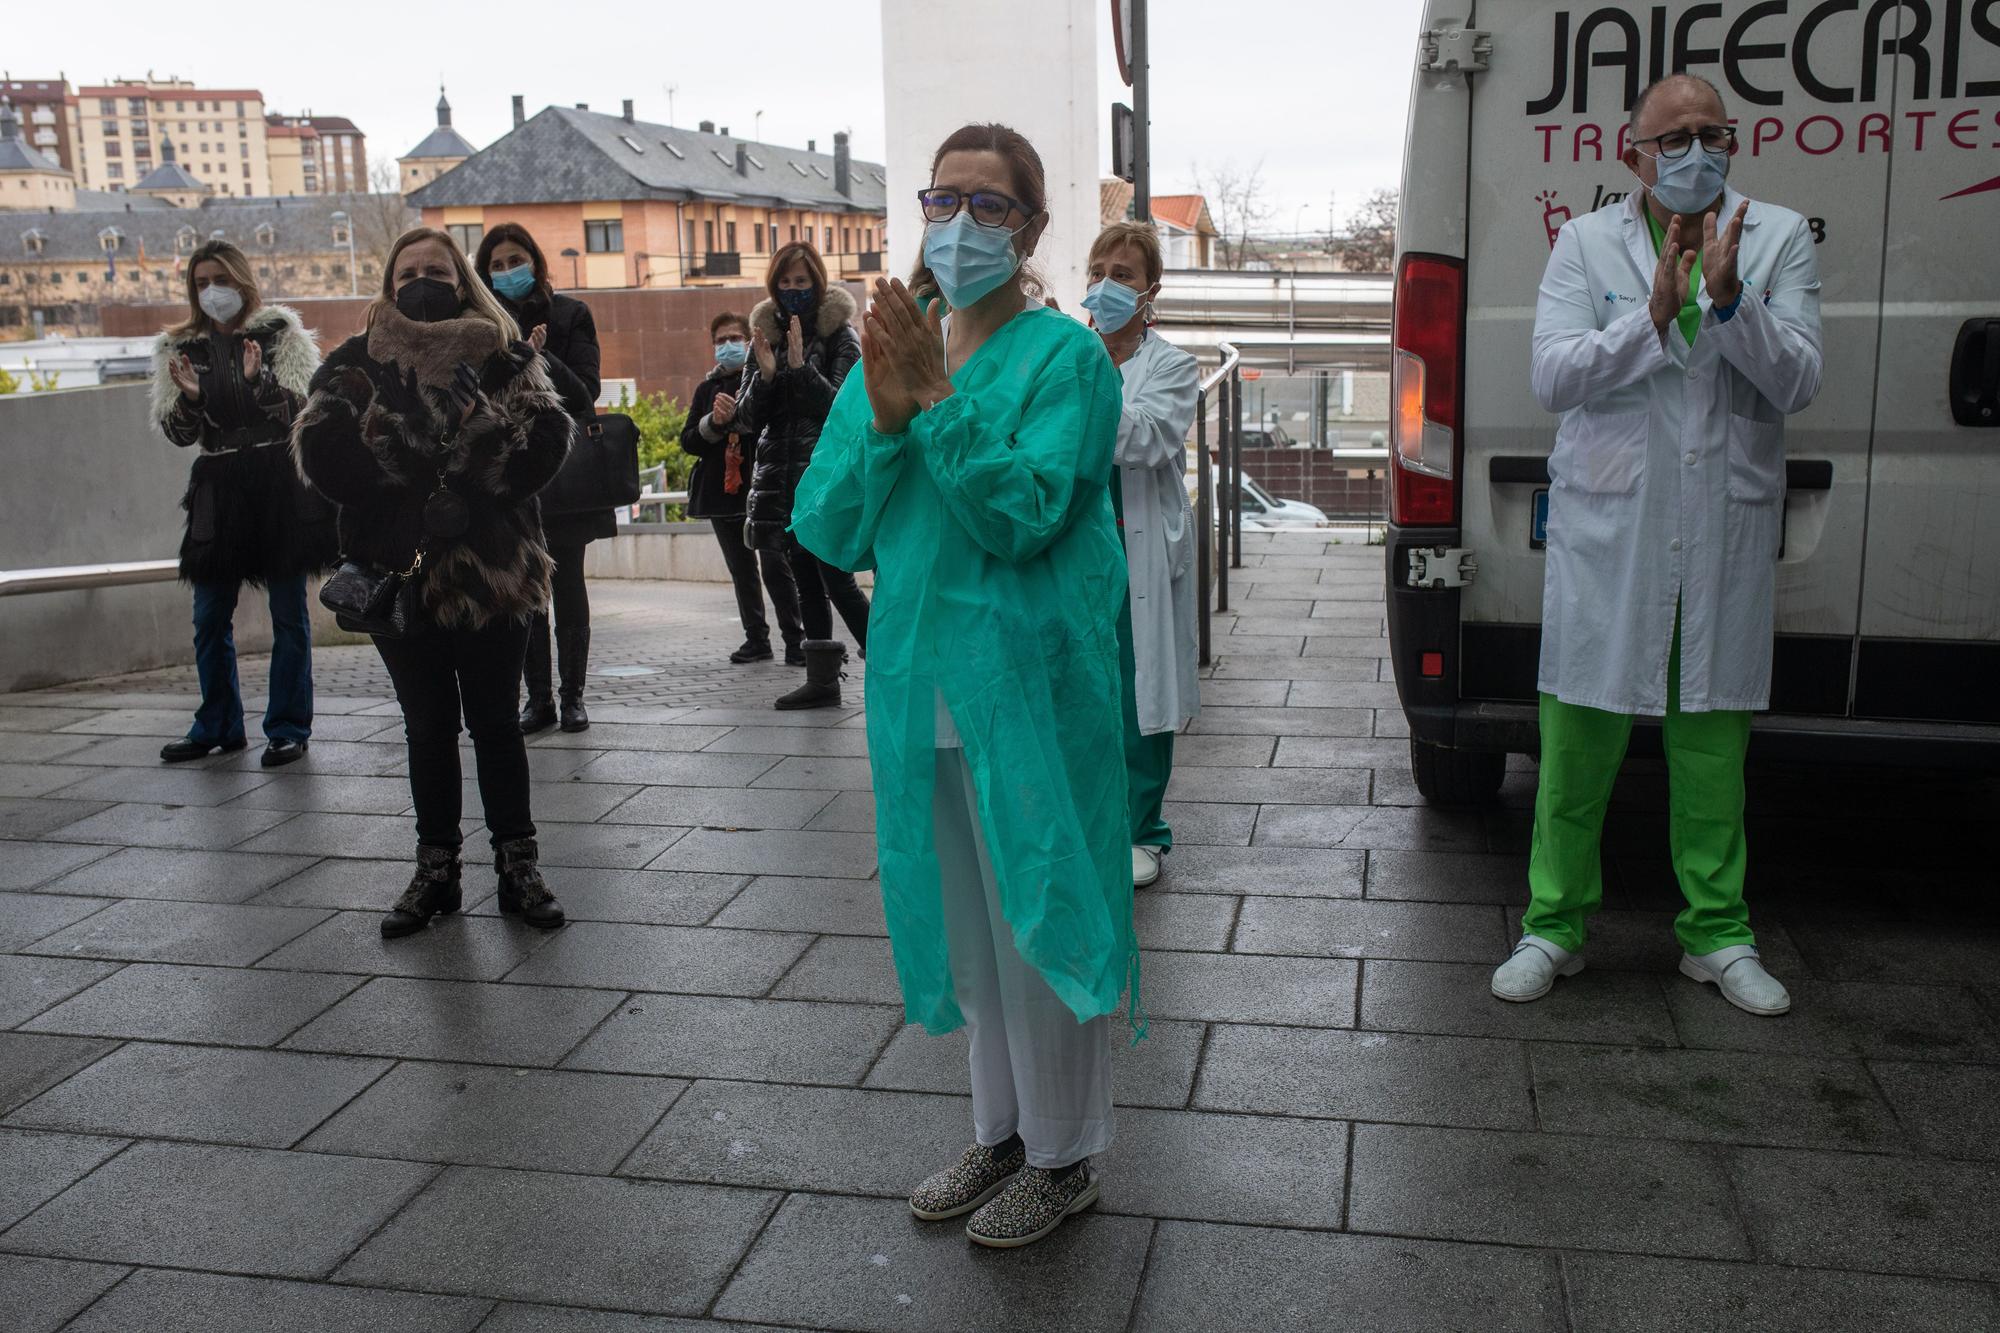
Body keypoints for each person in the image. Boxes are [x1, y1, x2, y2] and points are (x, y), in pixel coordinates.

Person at [792, 123, 1135, 1249]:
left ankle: (1065, 1150)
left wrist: (936, 405)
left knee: (1037, 912)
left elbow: (1026, 512)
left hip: (1026, 690)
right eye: (944, 200)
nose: (961, 224)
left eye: (990, 207)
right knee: (971, 927)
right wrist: (888, 419)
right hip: (919, 686)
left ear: (1031, 229)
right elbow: (828, 521)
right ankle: (1001, 1130)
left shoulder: (1066, 360)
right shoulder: (892, 352)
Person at [1493, 74, 1822, 1016]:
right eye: (1672, 138)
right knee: (1575, 748)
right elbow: (1554, 373)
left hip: (1718, 533)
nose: (1693, 153)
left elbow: (1798, 381)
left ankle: (1717, 934)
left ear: (1734, 142)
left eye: (1711, 134)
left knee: (1713, 751)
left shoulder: (1779, 238)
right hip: (1611, 534)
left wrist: (1730, 306)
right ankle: (1554, 925)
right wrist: (1646, 321)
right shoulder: (1586, 242)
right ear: (1629, 149)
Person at [294, 227, 571, 939]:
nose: (423, 281)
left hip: (492, 573)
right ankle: (436, 870)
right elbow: (321, 455)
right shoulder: (355, 364)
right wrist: (401, 455)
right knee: (427, 728)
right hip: (398, 571)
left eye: (437, 270)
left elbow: (548, 442)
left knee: (497, 725)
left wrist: (484, 439)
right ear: (389, 285)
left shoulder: (504, 354)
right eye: (410, 271)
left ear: (461, 281)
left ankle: (518, 866)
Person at [151, 240, 334, 768]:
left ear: (243, 281)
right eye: (202, 282)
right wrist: (189, 398)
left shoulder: (279, 335)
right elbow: (178, 433)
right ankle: (218, 723)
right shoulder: (181, 347)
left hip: (278, 479)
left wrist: (259, 384)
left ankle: (287, 727)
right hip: (217, 483)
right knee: (209, 615)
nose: (213, 292)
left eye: (222, 280)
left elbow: (303, 410)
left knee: (288, 614)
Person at [1084, 221, 1202, 890]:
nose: (1105, 284)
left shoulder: (1172, 366)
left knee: (1139, 690)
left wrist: (1090, 378)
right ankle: (1096, 823)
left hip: (1139, 548)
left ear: (1150, 289)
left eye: (1122, 274)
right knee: (1084, 685)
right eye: (1098, 270)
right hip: (1078, 543)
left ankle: (1143, 832)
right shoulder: (1070, 350)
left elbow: (1145, 440)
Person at [474, 224, 606, 735]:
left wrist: (538, 356)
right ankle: (538, 699)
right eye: (497, 264)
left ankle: (573, 696)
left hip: (563, 470)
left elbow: (585, 392)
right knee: (526, 587)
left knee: (568, 580)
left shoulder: (571, 314)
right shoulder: (481, 324)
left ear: (536, 260)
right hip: (507, 473)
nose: (508, 271)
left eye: (516, 259)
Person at [739, 241, 870, 708]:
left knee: (837, 578)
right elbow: (747, 417)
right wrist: (769, 376)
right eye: (785, 283)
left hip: (826, 476)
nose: (793, 291)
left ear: (818, 281)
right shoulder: (763, 336)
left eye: (802, 281)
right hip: (781, 477)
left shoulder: (842, 335)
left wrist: (799, 370)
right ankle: (823, 679)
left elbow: (844, 406)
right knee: (804, 580)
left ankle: (889, 664)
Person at [681, 311, 805, 665]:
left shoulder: (763, 377)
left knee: (775, 566)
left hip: (762, 490)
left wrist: (740, 416)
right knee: (742, 571)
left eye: (734, 338)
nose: (727, 346)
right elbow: (690, 440)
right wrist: (714, 424)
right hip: (722, 496)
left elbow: (776, 425)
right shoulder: (706, 389)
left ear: (749, 341)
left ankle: (795, 640)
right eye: (720, 340)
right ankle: (757, 639)